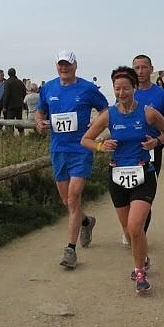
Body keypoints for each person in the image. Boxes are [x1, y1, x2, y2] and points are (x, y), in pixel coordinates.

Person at [81, 67, 164, 293]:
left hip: (143, 174)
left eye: (126, 88)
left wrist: (156, 142)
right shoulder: (109, 115)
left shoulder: (148, 113)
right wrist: (101, 146)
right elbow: (86, 140)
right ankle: (143, 257)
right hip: (117, 176)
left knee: (135, 226)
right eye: (117, 89)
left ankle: (139, 273)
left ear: (134, 88)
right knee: (130, 232)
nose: (121, 93)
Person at [35, 50, 108, 268]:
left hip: (81, 149)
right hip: (58, 150)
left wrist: (96, 125)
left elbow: (106, 109)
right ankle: (86, 221)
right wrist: (39, 123)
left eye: (68, 64)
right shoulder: (48, 88)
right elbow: (40, 112)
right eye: (61, 64)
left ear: (75, 66)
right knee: (67, 201)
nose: (64, 68)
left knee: (74, 197)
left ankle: (70, 250)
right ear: (56, 66)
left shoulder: (87, 88)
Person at [131, 54, 164, 242]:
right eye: (136, 68)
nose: (140, 71)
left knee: (144, 194)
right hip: (127, 151)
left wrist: (161, 140)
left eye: (144, 67)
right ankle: (132, 229)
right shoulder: (126, 92)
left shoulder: (161, 95)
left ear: (151, 69)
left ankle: (139, 234)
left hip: (152, 151)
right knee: (127, 192)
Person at [3, 67, 27, 135]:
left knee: (10, 122)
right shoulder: (20, 82)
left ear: (8, 74)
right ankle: (21, 134)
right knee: (19, 121)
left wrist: (4, 106)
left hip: (10, 106)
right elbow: (24, 92)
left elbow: (6, 95)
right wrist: (21, 99)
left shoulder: (7, 82)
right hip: (19, 105)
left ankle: (11, 136)